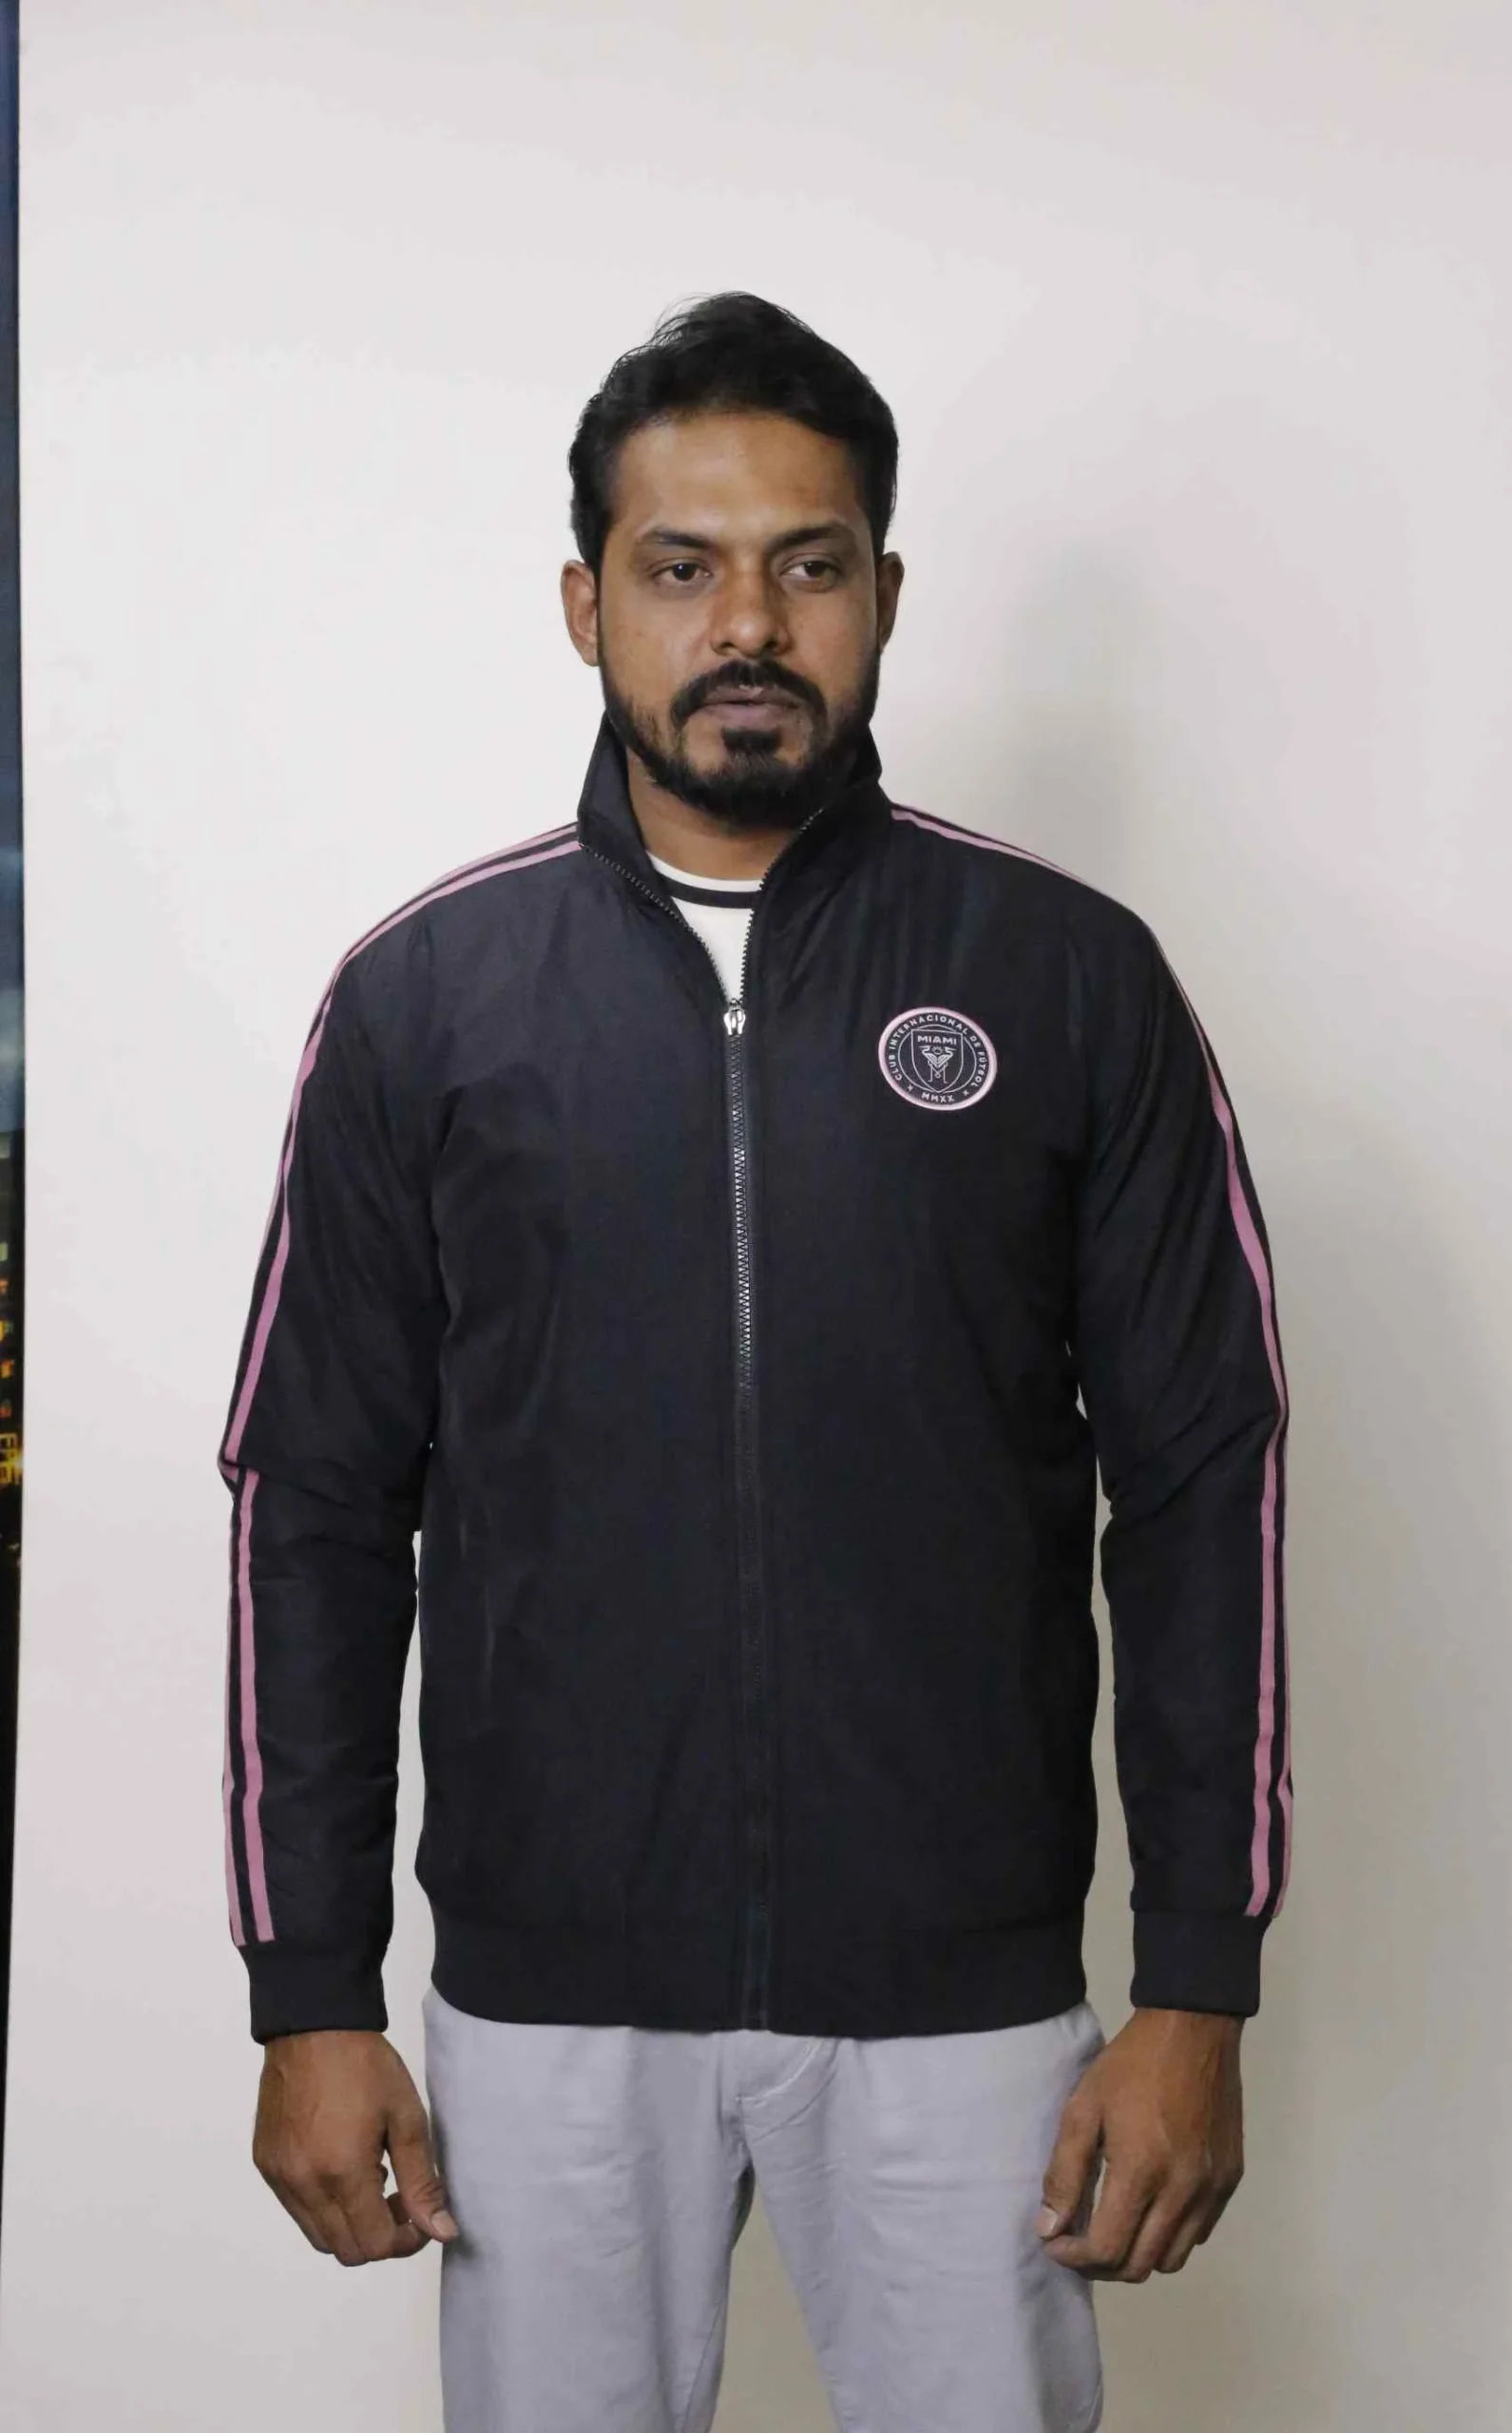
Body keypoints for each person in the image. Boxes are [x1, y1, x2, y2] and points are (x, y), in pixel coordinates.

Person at [220, 292, 1290, 2433]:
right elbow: (314, 1506)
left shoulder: (1068, 981)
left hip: (963, 1997)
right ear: (584, 603)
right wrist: (309, 1991)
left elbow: (1203, 1487)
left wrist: (1195, 1982)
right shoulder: (428, 1001)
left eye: (807, 565)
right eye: (679, 565)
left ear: (882, 592)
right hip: (549, 1999)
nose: (746, 624)